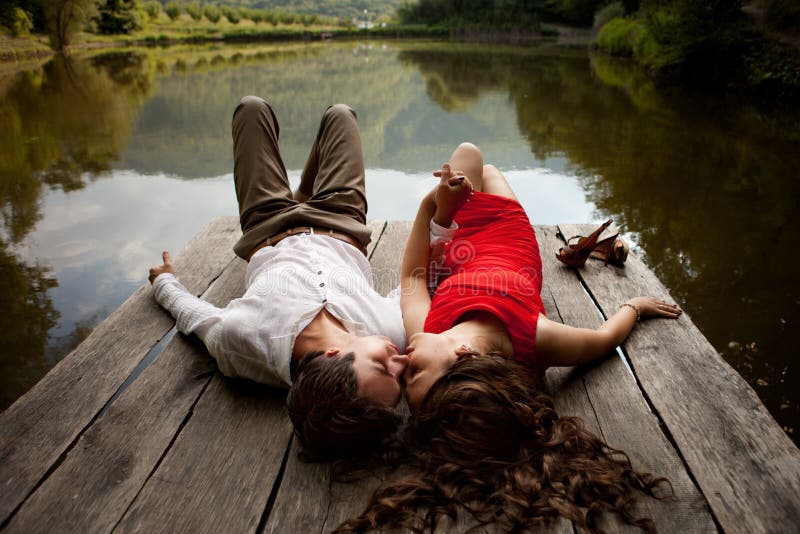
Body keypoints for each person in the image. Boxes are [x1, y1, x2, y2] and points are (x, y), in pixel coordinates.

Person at [335, 143, 680, 532]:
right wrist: (634, 307)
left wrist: (430, 206)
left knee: (466, 164)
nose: (403, 368)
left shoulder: (429, 331)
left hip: (460, 253)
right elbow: (602, 340)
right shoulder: (536, 338)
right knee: (481, 162)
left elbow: (413, 278)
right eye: (415, 374)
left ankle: (459, 201)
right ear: (463, 355)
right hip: (506, 237)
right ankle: (474, 192)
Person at [148, 97, 409, 459]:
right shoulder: (391, 332)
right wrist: (441, 242)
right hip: (339, 220)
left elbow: (194, 316)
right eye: (397, 376)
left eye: (385, 367)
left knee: (251, 109)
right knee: (340, 115)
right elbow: (412, 288)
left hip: (269, 225)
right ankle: (303, 194)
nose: (402, 363)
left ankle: (295, 198)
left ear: (334, 355)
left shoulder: (246, 340)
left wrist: (164, 282)